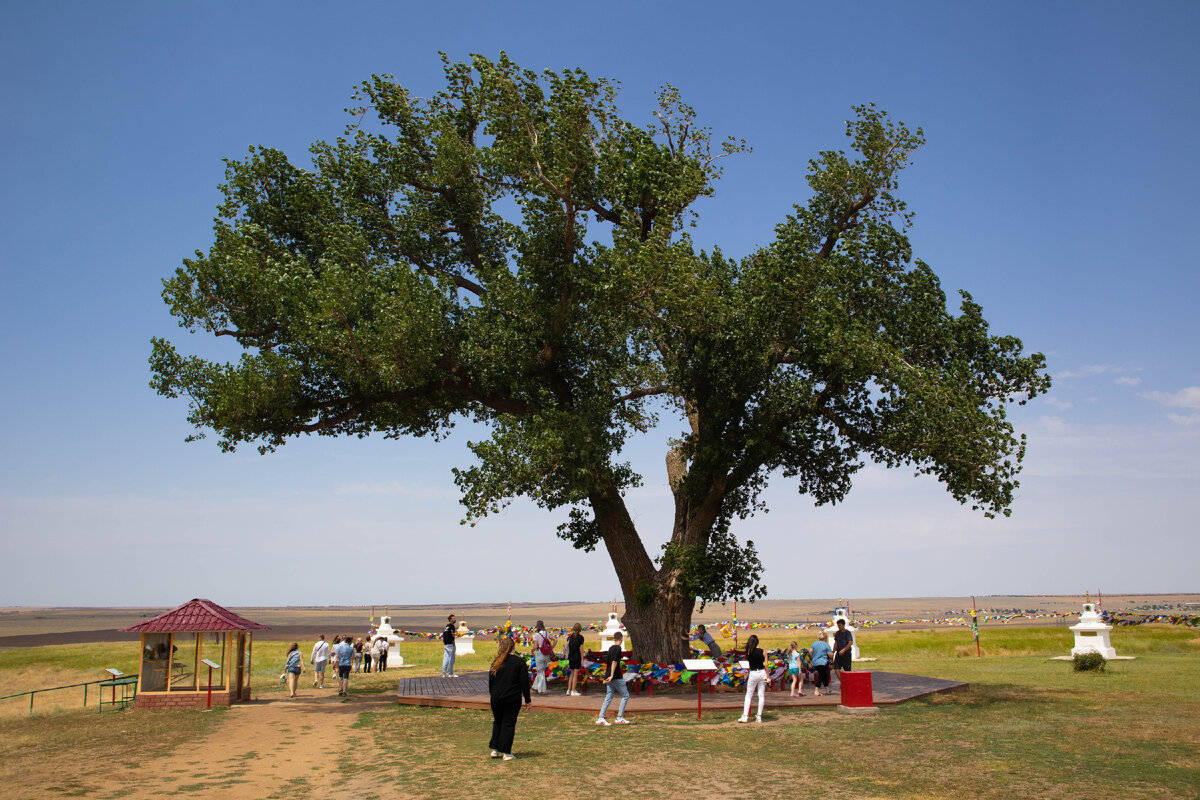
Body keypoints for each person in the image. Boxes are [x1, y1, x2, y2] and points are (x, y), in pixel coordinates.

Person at [487, 636, 532, 761]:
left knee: (498, 722)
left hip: (496, 698)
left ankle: (494, 749)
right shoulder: (519, 662)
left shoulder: (496, 662)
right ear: (514, 648)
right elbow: (524, 683)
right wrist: (527, 700)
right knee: (508, 723)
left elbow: (491, 682)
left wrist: (493, 695)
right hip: (511, 698)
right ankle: (506, 752)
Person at [595, 631, 631, 725]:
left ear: (614, 639)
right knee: (625, 695)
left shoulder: (610, 648)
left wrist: (609, 675)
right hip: (616, 676)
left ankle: (601, 717)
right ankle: (619, 717)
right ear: (622, 639)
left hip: (608, 675)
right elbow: (614, 662)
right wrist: (612, 675)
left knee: (609, 697)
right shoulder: (618, 648)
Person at [738, 634, 767, 723]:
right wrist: (768, 676)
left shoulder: (749, 652)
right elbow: (766, 665)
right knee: (761, 695)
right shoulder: (763, 651)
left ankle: (745, 715)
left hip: (753, 673)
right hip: (762, 672)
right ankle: (759, 716)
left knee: (749, 695)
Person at [531, 620, 556, 694]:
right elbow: (555, 640)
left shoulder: (536, 635)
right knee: (541, 670)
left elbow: (535, 646)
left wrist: (532, 651)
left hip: (540, 654)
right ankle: (535, 686)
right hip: (547, 655)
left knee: (540, 671)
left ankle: (541, 689)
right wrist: (551, 648)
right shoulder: (547, 634)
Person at [564, 623, 585, 696]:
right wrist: (582, 658)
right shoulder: (580, 638)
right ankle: (573, 690)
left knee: (571, 674)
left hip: (570, 657)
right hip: (577, 657)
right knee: (575, 674)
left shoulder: (569, 637)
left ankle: (568, 690)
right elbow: (581, 649)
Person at [810, 630, 832, 696]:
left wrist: (813, 657)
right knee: (821, 675)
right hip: (823, 662)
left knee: (823, 674)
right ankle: (817, 689)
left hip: (815, 662)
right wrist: (832, 654)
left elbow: (810, 651)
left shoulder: (814, 643)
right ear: (825, 638)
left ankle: (827, 689)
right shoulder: (826, 645)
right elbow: (830, 655)